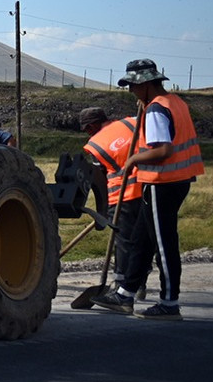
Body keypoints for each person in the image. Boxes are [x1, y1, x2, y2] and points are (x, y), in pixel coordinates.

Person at [96, 59, 205, 319]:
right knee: (141, 240)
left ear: (145, 84)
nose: (131, 91)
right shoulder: (175, 102)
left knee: (164, 243)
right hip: (175, 180)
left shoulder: (156, 110)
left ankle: (169, 303)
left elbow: (163, 149)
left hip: (162, 182)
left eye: (133, 86)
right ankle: (125, 294)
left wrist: (133, 160)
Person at [71, 105, 142, 311]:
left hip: (125, 194)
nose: (87, 133)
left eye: (86, 129)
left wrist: (104, 211)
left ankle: (121, 286)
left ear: (92, 126)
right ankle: (141, 284)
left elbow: (101, 179)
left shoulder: (96, 144)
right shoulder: (132, 122)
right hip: (152, 185)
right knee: (145, 240)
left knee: (123, 241)